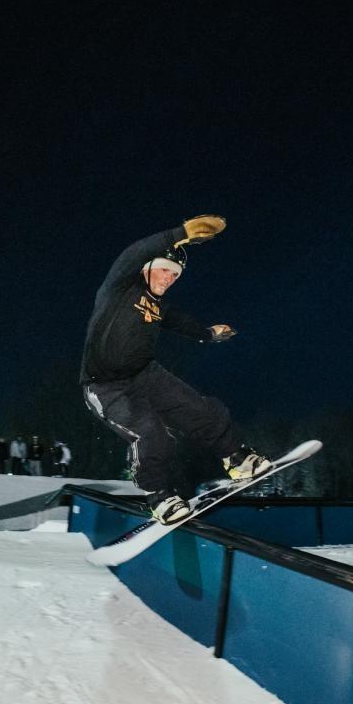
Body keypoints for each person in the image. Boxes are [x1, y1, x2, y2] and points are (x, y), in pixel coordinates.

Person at [80, 215, 270, 524]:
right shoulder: (119, 288)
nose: (169, 279)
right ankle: (158, 496)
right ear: (146, 268)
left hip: (146, 375)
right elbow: (132, 253)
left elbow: (178, 322)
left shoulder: (158, 306)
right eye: (164, 270)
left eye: (175, 275)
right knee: (152, 433)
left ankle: (236, 459)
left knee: (202, 410)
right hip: (105, 386)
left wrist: (207, 334)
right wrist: (179, 234)